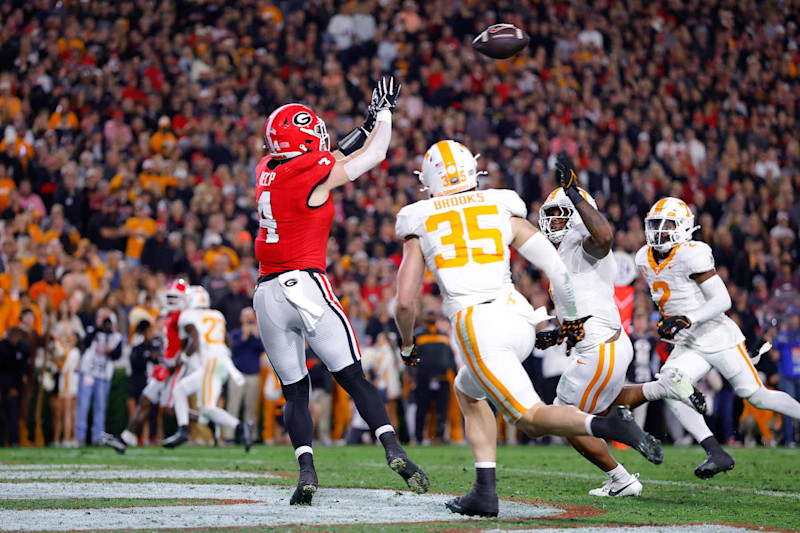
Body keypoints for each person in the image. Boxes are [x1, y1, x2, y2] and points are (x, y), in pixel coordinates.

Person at [394, 140, 663, 518]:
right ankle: (483, 490)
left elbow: (405, 302)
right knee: (467, 390)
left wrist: (407, 344)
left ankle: (607, 424)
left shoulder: (418, 217)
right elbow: (555, 269)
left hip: (478, 322)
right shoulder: (500, 204)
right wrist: (566, 322)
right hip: (518, 315)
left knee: (532, 420)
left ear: (430, 179)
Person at [252, 77, 429, 506]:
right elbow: (375, 155)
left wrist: (365, 124)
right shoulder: (309, 172)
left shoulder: (267, 169)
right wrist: (384, 116)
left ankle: (307, 469)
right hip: (305, 285)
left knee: (296, 390)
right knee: (351, 377)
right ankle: (394, 450)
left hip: (266, 294)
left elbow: (332, 154)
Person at [535, 153, 704, 498]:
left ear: (576, 215)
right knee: (606, 406)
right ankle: (662, 389)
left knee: (562, 418)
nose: (552, 221)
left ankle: (621, 477)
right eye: (549, 214)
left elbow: (604, 237)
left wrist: (575, 194)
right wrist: (558, 332)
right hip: (610, 343)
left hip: (598, 348)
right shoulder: (564, 253)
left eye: (558, 214)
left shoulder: (579, 245)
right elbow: (582, 306)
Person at [635, 197, 800, 476]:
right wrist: (669, 323)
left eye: (667, 225)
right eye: (656, 225)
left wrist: (686, 318)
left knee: (756, 396)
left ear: (684, 228)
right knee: (669, 387)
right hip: (688, 340)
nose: (659, 232)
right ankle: (715, 451)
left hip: (716, 335)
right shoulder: (643, 257)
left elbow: (722, 300)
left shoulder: (692, 252)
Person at [102, 279, 192, 453]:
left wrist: (176, 361)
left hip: (173, 368)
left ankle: (207, 418)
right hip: (163, 367)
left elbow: (187, 342)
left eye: (175, 297)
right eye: (169, 297)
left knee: (169, 410)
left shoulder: (183, 317)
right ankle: (125, 438)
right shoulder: (168, 315)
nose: (171, 301)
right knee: (145, 401)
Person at [162, 286, 252, 450]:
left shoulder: (188, 316)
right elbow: (228, 342)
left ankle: (183, 430)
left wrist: (182, 359)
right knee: (203, 406)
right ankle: (240, 427)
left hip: (209, 363)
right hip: (222, 363)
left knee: (184, 393)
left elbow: (194, 341)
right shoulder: (217, 315)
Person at [75, 307, 123, 445]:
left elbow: (117, 355)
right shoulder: (92, 330)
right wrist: (98, 328)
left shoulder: (115, 337)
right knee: (83, 405)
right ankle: (80, 437)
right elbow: (85, 343)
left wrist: (110, 350)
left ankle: (98, 437)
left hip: (103, 376)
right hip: (88, 373)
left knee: (100, 407)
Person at [413, 309, 455, 444]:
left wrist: (454, 373)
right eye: (429, 314)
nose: (431, 316)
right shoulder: (418, 335)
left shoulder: (443, 335)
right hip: (423, 377)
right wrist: (412, 376)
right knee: (422, 409)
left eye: (433, 314)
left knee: (442, 410)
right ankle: (419, 437)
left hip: (442, 378)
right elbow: (411, 357)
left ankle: (439, 437)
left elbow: (450, 357)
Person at [225, 307, 263, 441]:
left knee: (251, 409)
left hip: (253, 375)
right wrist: (244, 337)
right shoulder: (235, 334)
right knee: (233, 406)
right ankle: (228, 436)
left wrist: (257, 336)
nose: (248, 319)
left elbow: (263, 349)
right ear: (241, 319)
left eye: (250, 316)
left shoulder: (258, 334)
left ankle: (250, 436)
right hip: (238, 375)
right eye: (245, 316)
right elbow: (232, 350)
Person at [773, 307, 800, 446]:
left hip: (799, 375)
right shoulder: (782, 335)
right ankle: (789, 438)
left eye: (794, 316)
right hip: (787, 376)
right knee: (788, 407)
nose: (793, 319)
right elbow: (774, 355)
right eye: (790, 317)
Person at [0, 328, 29, 446]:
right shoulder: (2, 347)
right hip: (2, 383)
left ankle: (14, 440)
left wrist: (15, 387)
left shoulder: (23, 348)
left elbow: (21, 370)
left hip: (15, 385)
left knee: (13, 414)